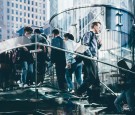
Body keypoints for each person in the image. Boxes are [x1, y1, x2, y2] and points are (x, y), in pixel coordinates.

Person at [76, 22, 102, 100]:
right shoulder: (88, 34)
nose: (100, 29)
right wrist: (91, 56)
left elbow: (94, 49)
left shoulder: (94, 36)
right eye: (99, 27)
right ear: (94, 26)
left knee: (96, 80)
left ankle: (95, 98)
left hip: (93, 58)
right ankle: (79, 91)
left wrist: (99, 44)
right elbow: (85, 45)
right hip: (89, 58)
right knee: (92, 77)